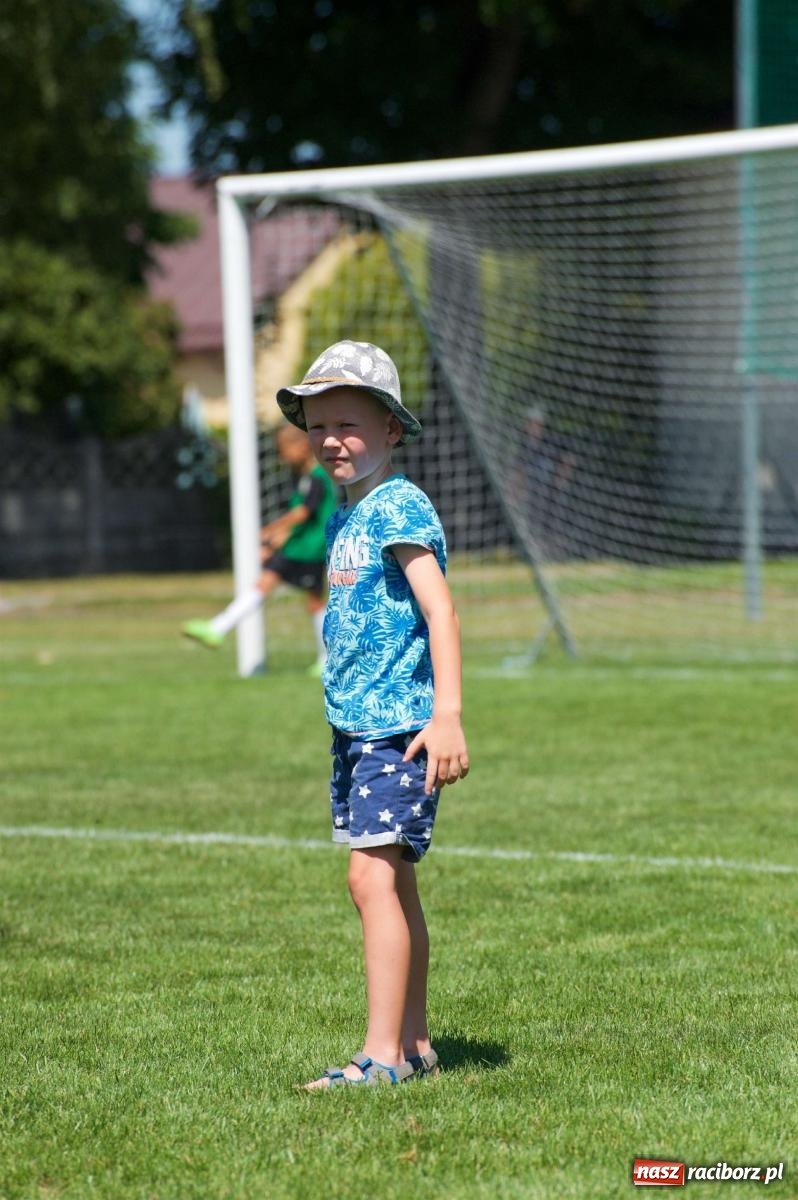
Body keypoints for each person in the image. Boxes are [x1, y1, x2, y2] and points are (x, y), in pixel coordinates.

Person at [275, 339, 470, 1088]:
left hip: (402, 729)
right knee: (395, 883)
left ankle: (380, 1057)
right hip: (358, 729)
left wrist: (447, 714)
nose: (331, 440)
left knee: (369, 880)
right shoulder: (345, 513)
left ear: (390, 428)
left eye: (348, 424)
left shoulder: (400, 505)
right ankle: (415, 1046)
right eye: (319, 426)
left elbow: (441, 612)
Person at [182, 424, 338, 674]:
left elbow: (304, 512)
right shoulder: (306, 477)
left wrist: (270, 531)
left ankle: (218, 627)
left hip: (307, 549)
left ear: (301, 447)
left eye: (284, 449)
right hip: (301, 546)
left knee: (299, 596)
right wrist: (278, 538)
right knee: (304, 598)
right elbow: (303, 518)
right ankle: (218, 627)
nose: (282, 456)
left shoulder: (318, 477)